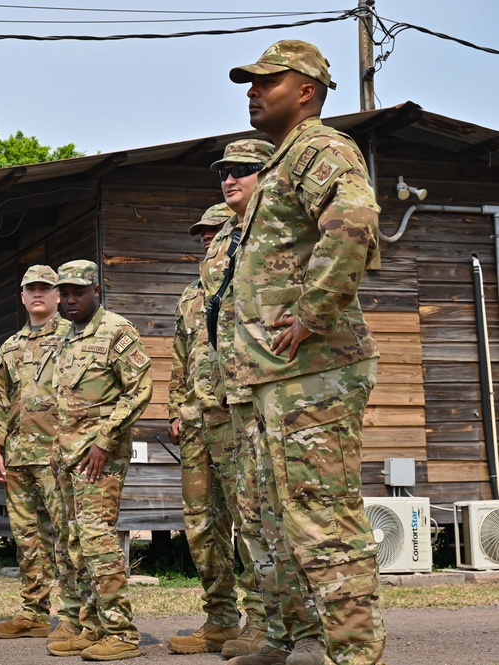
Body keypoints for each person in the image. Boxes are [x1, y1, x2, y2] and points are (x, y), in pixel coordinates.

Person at [226, 40, 383, 665]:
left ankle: (353, 656)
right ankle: (290, 636)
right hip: (276, 377)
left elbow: (355, 222)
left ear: (308, 90)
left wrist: (313, 314)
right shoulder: (282, 162)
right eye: (250, 82)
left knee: (323, 520)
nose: (252, 90)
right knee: (281, 519)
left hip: (314, 368)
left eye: (268, 81)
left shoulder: (321, 148)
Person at [209, 141, 326, 665]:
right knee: (255, 521)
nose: (229, 179)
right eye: (223, 173)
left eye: (242, 171)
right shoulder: (227, 243)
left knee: (296, 517)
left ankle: (317, 637)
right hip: (239, 399)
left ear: (269, 173)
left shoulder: (287, 227)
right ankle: (280, 635)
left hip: (290, 390)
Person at [46, 260, 152, 662]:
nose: (70, 299)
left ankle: (121, 633)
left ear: (96, 290)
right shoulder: (66, 337)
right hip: (68, 457)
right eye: (65, 293)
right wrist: (58, 451)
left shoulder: (116, 331)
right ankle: (92, 627)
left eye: (78, 292)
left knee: (98, 542)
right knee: (75, 545)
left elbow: (139, 389)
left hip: (98, 458)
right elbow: (66, 403)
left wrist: (106, 439)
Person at [166, 204, 244, 655]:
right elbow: (181, 357)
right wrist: (176, 409)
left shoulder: (244, 283)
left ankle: (265, 620)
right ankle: (220, 619)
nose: (206, 239)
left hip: (234, 420)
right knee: (201, 526)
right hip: (195, 423)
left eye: (214, 231)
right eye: (201, 233)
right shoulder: (189, 296)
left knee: (248, 521)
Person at [0, 265, 78, 642]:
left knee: (66, 537)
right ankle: (34, 613)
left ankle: (73, 615)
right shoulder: (10, 345)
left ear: (57, 295)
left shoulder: (74, 336)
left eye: (45, 288)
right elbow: (0, 400)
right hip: (18, 455)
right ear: (22, 297)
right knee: (27, 539)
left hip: (58, 454)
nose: (38, 293)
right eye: (31, 289)